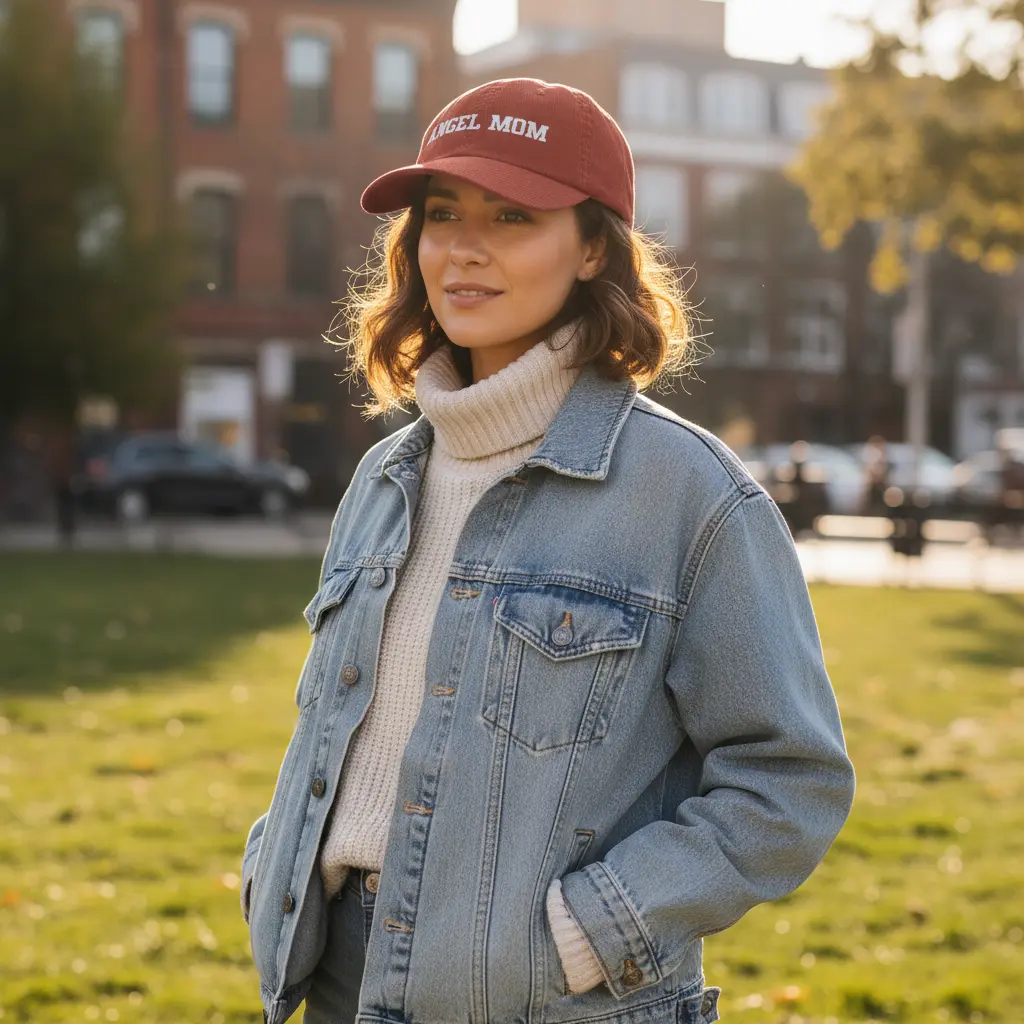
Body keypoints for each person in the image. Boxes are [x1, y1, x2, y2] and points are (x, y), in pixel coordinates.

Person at [240, 79, 856, 1024]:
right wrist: (273, 858)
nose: (465, 248)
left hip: (546, 1000)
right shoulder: (385, 475)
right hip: (332, 980)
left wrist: (589, 929)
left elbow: (789, 779)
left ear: (594, 248)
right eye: (442, 215)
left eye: (514, 215)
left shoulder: (690, 494)